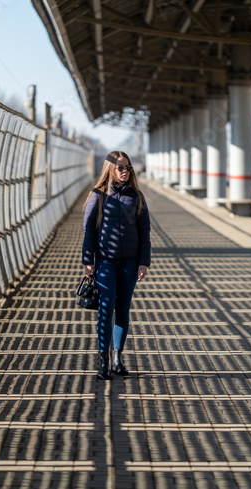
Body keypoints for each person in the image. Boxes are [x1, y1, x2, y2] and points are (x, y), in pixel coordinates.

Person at [82, 151, 151, 380]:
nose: (125, 172)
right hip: (105, 262)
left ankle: (117, 360)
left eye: (128, 168)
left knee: (122, 310)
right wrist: (87, 261)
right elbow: (88, 231)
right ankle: (103, 362)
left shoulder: (136, 197)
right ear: (110, 169)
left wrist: (143, 262)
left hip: (130, 263)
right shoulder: (98, 195)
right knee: (105, 308)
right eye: (120, 167)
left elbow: (144, 232)